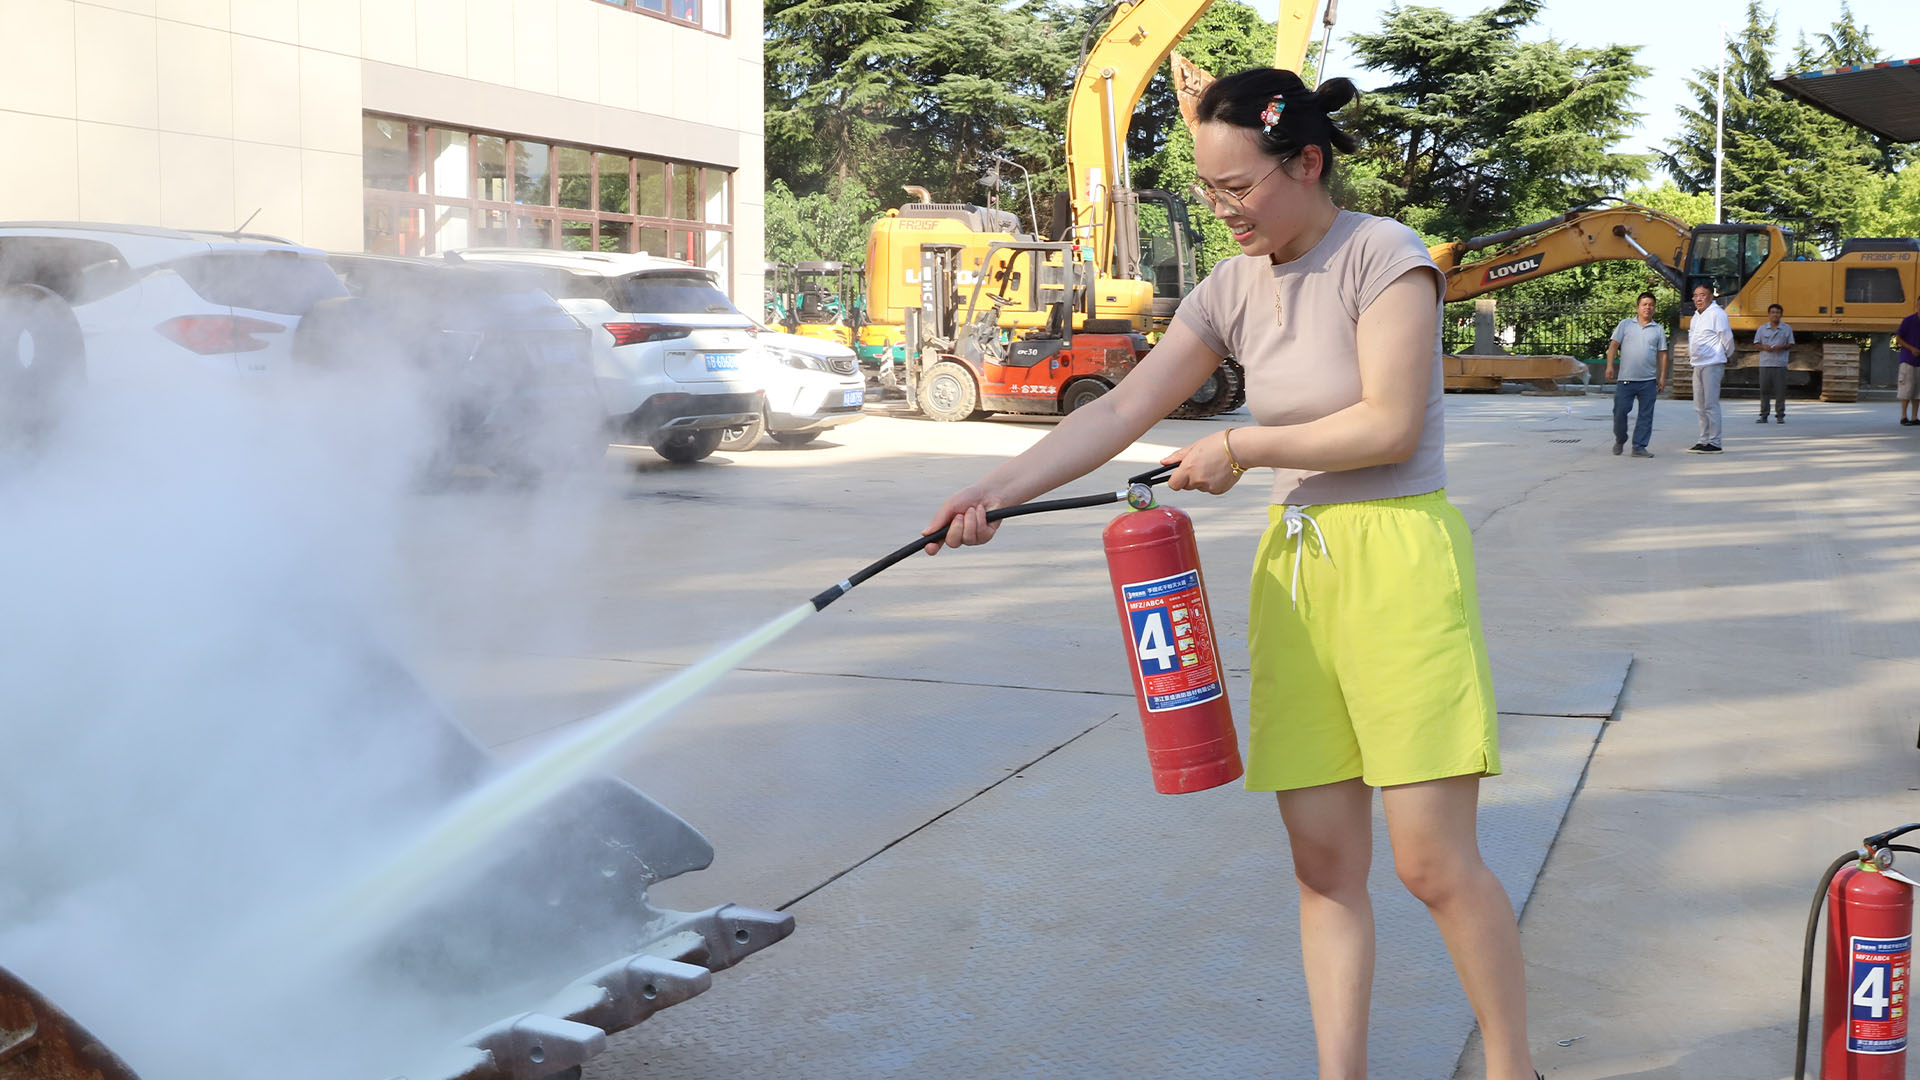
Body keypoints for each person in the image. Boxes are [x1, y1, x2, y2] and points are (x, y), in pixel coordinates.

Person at [925, 68, 1539, 1080]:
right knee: (1324, 865)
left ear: (1307, 163)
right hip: (1296, 571)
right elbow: (1121, 410)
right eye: (1209, 190)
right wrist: (993, 491)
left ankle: (1515, 1069)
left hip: (1397, 560)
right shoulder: (1231, 286)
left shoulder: (1384, 258)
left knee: (1432, 864)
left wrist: (1243, 447)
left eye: (1239, 187)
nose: (1223, 209)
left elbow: (1388, 425)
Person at [1604, 291, 1667, 457]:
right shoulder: (1625, 325)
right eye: (1644, 304)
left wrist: (1662, 377)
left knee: (1646, 415)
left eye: (1651, 305)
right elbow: (1613, 346)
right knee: (1619, 412)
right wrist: (1609, 366)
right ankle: (1620, 438)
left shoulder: (1658, 329)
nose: (1648, 307)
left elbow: (1662, 354)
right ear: (1637, 307)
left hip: (1648, 381)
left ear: (1654, 308)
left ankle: (1639, 447)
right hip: (1626, 380)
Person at [1685, 284, 1733, 453]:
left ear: (1711, 297)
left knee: (1710, 404)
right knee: (1699, 405)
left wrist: (1723, 355)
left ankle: (1715, 442)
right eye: (1696, 295)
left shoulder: (1717, 314)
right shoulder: (1696, 316)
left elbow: (1727, 338)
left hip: (1712, 363)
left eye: (1702, 295)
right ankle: (1703, 439)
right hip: (1697, 364)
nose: (1698, 299)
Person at [1753, 304, 1794, 423]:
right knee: (1764, 391)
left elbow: (1791, 344)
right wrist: (1764, 347)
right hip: (1765, 363)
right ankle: (1764, 415)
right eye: (1773, 312)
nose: (1775, 315)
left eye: (1777, 312)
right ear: (1769, 314)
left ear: (1781, 314)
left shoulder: (1787, 328)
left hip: (1780, 364)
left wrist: (1781, 347)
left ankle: (1780, 416)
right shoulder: (1761, 329)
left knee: (1780, 391)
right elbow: (1756, 343)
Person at [1898, 298, 1920, 426]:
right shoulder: (1908, 320)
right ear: (1917, 305)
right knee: (1906, 389)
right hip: (1908, 360)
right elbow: (1898, 339)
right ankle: (1903, 416)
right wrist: (1911, 349)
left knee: (1918, 391)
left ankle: (1915, 417)